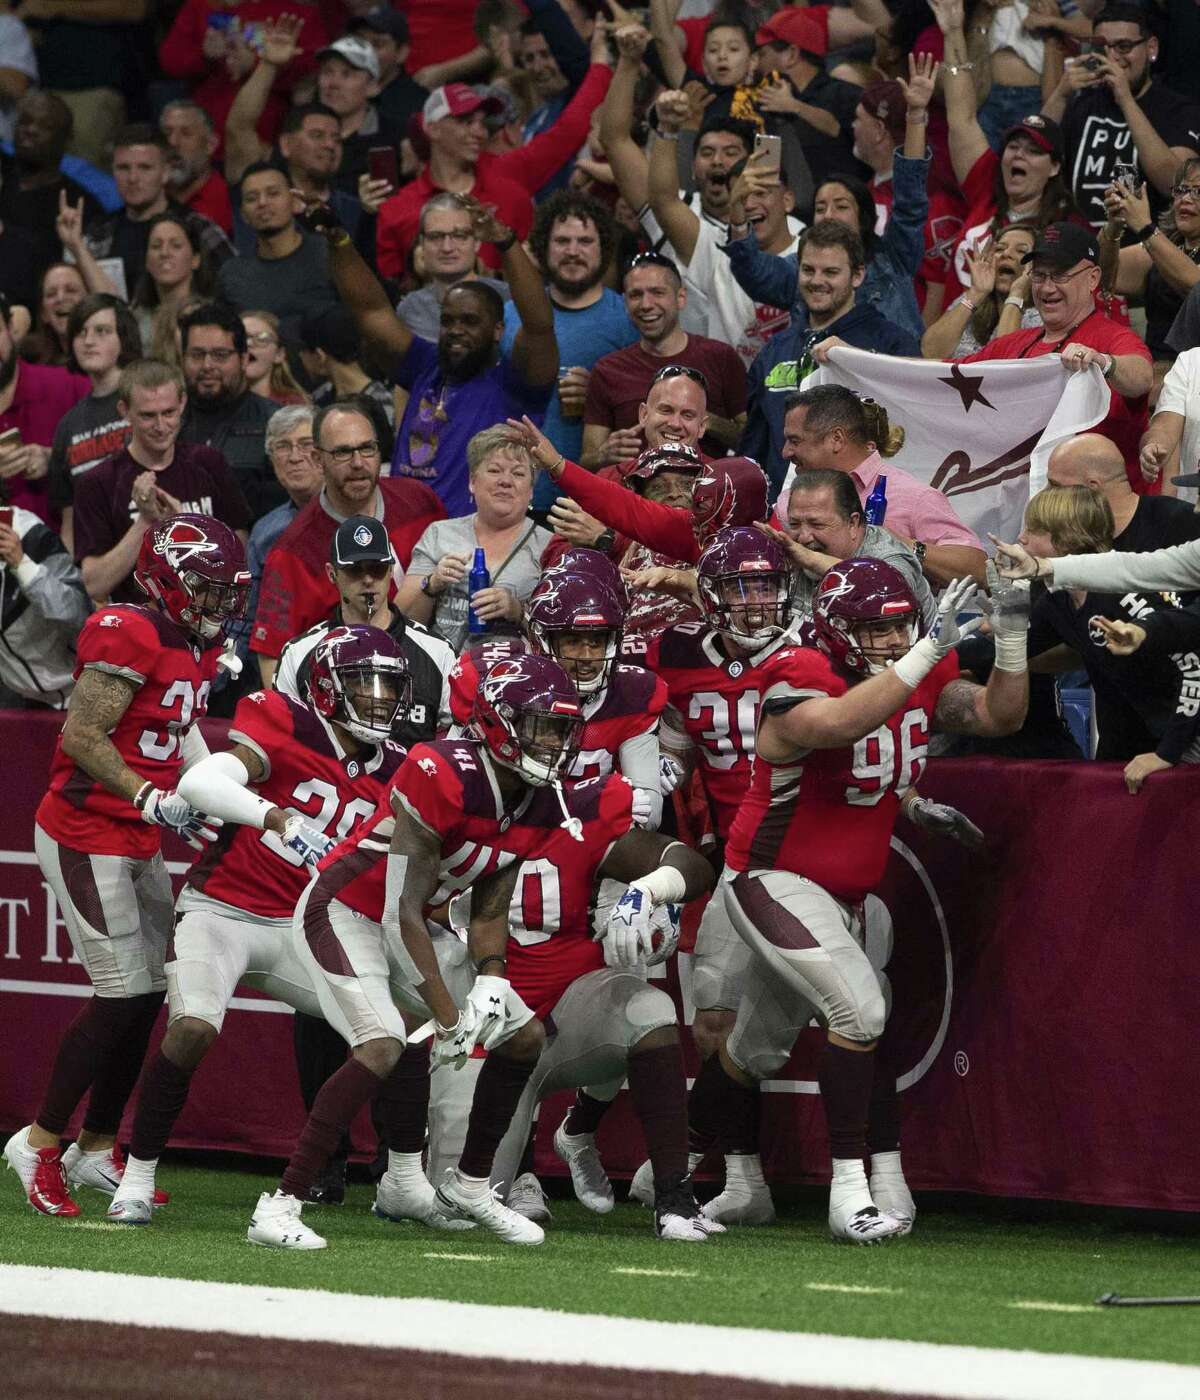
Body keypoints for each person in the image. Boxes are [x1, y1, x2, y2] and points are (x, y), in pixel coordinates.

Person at [256, 653, 714, 1249]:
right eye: (541, 727)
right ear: (498, 725)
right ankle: (282, 1202)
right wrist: (448, 1014)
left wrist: (493, 977)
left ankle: (472, 1185)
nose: (554, 743)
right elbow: (400, 913)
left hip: (413, 922)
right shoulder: (443, 772)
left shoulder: (538, 797)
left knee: (521, 1038)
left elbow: (491, 901)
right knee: (383, 1044)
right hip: (347, 911)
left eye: (561, 730)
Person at [692, 559, 1028, 1243]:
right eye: (874, 628)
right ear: (837, 632)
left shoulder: (917, 668)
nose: (891, 639)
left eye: (900, 624)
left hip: (842, 891)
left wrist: (1015, 633)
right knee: (862, 1005)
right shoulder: (799, 671)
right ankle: (852, 1194)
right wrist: (926, 651)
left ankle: (675, 1157)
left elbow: (997, 714)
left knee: (751, 1051)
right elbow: (840, 726)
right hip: (770, 878)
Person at [105, 625, 413, 1226]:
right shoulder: (287, 724)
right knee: (193, 1026)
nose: (378, 698)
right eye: (363, 683)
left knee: (399, 1026)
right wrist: (274, 816)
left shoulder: (401, 766)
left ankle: (405, 1177)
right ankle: (137, 1174)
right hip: (223, 909)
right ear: (326, 689)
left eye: (387, 686)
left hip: (304, 926)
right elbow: (197, 782)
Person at [3, 514, 247, 1218]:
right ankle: (40, 1141)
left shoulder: (189, 639)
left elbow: (180, 727)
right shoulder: (128, 628)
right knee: (121, 993)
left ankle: (94, 1145)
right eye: (204, 589)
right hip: (86, 829)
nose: (216, 605)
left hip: (135, 832)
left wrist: (216, 799)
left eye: (223, 591)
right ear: (167, 580)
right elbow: (81, 735)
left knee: (146, 995)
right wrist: (150, 795)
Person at [310, 191, 557, 517]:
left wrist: (505, 242)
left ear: (498, 330)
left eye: (470, 322)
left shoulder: (517, 382)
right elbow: (370, 311)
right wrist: (338, 239)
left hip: (473, 542)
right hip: (402, 534)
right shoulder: (425, 364)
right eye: (448, 321)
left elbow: (539, 323)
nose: (456, 330)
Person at [726, 53, 939, 344]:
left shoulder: (893, 260)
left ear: (863, 218)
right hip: (822, 385)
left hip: (887, 384)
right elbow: (752, 270)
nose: (828, 215)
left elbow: (910, 201)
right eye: (820, 207)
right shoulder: (798, 272)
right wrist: (737, 211)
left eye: (841, 206)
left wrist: (915, 117)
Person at [250, 399, 444, 687]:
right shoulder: (292, 552)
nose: (357, 463)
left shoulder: (420, 502)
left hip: (429, 680)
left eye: (367, 448)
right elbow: (272, 660)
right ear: (318, 459)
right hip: (345, 697)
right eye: (342, 452)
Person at [1017, 484, 1200, 787]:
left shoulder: (1125, 599)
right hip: (1141, 739)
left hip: (1186, 737)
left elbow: (1193, 663)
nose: (1022, 537)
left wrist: (1168, 752)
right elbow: (1007, 650)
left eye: (1035, 528)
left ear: (1068, 537)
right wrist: (937, 652)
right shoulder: (1057, 600)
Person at [958, 222, 1155, 494]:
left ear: (1093, 278)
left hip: (1098, 517)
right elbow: (948, 375)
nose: (1047, 288)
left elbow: (1142, 378)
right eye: (1039, 276)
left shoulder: (1112, 338)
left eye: (1060, 275)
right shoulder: (1013, 344)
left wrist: (1103, 363)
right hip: (1020, 510)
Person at [743, 222, 922, 492]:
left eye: (831, 272)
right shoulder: (774, 350)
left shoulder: (892, 343)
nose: (817, 281)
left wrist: (855, 361)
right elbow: (754, 453)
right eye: (808, 270)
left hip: (863, 515)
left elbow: (915, 422)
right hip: (781, 517)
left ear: (858, 275)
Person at [932, 0, 1080, 302]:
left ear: (1054, 167)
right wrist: (952, 33)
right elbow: (961, 118)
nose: (1018, 155)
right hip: (956, 338)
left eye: (1033, 151)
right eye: (1013, 146)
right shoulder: (986, 187)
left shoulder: (1064, 227)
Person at [73, 358, 251, 605]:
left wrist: (182, 528)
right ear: (124, 411)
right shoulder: (98, 483)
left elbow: (239, 557)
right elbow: (95, 584)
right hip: (141, 629)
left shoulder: (210, 463)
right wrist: (146, 522)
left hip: (210, 619)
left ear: (182, 403)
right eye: (147, 416)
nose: (160, 426)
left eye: (168, 413)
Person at [777, 386, 987, 587]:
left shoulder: (914, 498)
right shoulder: (788, 500)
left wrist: (900, 544)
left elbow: (979, 571)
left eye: (795, 441)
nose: (785, 453)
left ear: (836, 439)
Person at [504, 191, 637, 509]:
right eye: (562, 241)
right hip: (515, 495)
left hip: (590, 501)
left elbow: (648, 404)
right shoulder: (512, 313)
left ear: (603, 249)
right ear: (542, 248)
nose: (573, 251)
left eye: (585, 241)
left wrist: (599, 392)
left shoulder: (628, 317)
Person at [1042, 4, 1200, 230]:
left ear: (1151, 48)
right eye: (1102, 47)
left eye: (1123, 46)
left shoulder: (1179, 109)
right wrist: (1060, 94)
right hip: (1078, 248)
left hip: (1144, 250)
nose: (1112, 57)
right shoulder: (1083, 102)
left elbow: (1173, 183)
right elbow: (1038, 153)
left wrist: (1125, 99)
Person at [582, 255, 747, 470]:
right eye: (635, 295)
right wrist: (603, 455)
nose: (646, 304)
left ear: (681, 298)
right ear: (625, 302)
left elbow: (753, 440)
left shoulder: (720, 357)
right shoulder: (608, 370)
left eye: (657, 293)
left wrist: (705, 420)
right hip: (630, 499)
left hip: (706, 498)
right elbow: (586, 460)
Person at [396, 426, 552, 652]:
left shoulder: (550, 546)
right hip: (445, 674)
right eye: (495, 470)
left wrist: (517, 610)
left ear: (531, 491)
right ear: (472, 481)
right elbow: (402, 622)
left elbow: (561, 636)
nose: (505, 481)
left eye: (518, 473)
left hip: (517, 675)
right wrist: (433, 584)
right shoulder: (439, 534)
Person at [159, 0, 327, 161]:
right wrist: (204, 55)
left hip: (264, 140)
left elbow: (313, 71)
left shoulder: (297, 14)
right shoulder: (203, 5)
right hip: (205, 141)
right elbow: (169, 62)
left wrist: (257, 65)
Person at [83, 126, 233, 300]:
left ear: (166, 172)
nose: (132, 178)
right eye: (123, 168)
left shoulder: (198, 228)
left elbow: (234, 289)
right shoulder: (97, 233)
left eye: (145, 168)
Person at [774, 467, 936, 627]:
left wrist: (812, 559)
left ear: (853, 523)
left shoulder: (890, 557)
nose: (803, 538)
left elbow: (884, 594)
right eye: (794, 524)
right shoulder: (792, 550)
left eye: (817, 524)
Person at [46, 293, 140, 554]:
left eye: (102, 331)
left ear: (124, 336)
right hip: (96, 566)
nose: (88, 341)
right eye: (80, 332)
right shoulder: (68, 425)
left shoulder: (147, 399)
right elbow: (70, 520)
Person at [176, 301, 280, 520]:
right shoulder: (164, 425)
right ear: (182, 359)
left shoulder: (275, 423)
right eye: (197, 355)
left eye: (220, 355)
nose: (207, 365)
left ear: (243, 359)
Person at [1099, 162, 1200, 382]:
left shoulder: (1155, 243)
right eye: (1181, 190)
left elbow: (1195, 286)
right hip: (1152, 373)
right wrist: (1114, 227)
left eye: (1198, 192)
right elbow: (1099, 277)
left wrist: (1144, 226)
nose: (1186, 199)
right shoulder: (1164, 247)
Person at [216, 163, 339, 344]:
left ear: (296, 202)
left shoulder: (330, 254)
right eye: (251, 198)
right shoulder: (232, 275)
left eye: (273, 193)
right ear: (243, 215)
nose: (262, 203)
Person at [241, 405, 322, 674]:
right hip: (276, 664)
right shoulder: (265, 532)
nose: (295, 457)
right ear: (271, 457)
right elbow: (248, 618)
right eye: (283, 447)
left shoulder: (357, 516)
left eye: (306, 444)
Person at [0, 290, 89, 523]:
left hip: (68, 549)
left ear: (10, 330)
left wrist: (54, 458)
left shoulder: (65, 385)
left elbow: (119, 449)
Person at [0, 496, 91, 709]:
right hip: (19, 701)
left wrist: (23, 565)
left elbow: (78, 613)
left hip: (79, 691)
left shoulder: (31, 535)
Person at [0, 91, 101, 277]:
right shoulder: (3, 173)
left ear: (66, 138)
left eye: (45, 126)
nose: (30, 130)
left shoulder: (78, 206)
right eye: (25, 121)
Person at [1045, 433, 1200, 550]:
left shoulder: (1183, 523)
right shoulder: (1067, 537)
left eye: (1056, 486)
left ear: (1092, 487)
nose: (1048, 495)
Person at [394, 193, 510, 342]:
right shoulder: (410, 308)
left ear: (477, 242)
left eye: (459, 235)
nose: (447, 247)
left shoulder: (507, 299)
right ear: (422, 243)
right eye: (435, 236)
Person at [920, 223, 1040, 358]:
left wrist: (1017, 294)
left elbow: (1003, 363)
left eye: (1021, 251)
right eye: (1000, 249)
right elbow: (930, 352)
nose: (1006, 254)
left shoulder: (1041, 317)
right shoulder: (969, 301)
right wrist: (976, 293)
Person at [131, 214, 213, 365]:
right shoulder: (135, 318)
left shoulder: (211, 318)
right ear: (147, 262)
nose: (165, 253)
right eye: (156, 246)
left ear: (195, 260)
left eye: (176, 245)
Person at [301, 305, 395, 431]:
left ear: (320, 356)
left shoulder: (384, 409)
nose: (300, 356)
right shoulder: (317, 399)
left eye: (303, 350)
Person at [348, 7, 427, 132]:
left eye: (377, 44)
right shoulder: (336, 92)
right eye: (360, 42)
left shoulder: (418, 107)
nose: (365, 52)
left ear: (402, 53)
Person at [160, 99, 233, 235]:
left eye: (186, 133)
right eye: (166, 133)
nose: (172, 142)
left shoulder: (228, 202)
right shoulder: (148, 197)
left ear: (210, 144)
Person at [20, 261, 85, 366]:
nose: (60, 298)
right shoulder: (30, 362)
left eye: (71, 290)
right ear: (43, 314)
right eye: (51, 294)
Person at [242, 311, 308, 407]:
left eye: (261, 339)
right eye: (240, 338)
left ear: (279, 354)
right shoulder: (214, 401)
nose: (248, 344)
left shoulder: (292, 406)